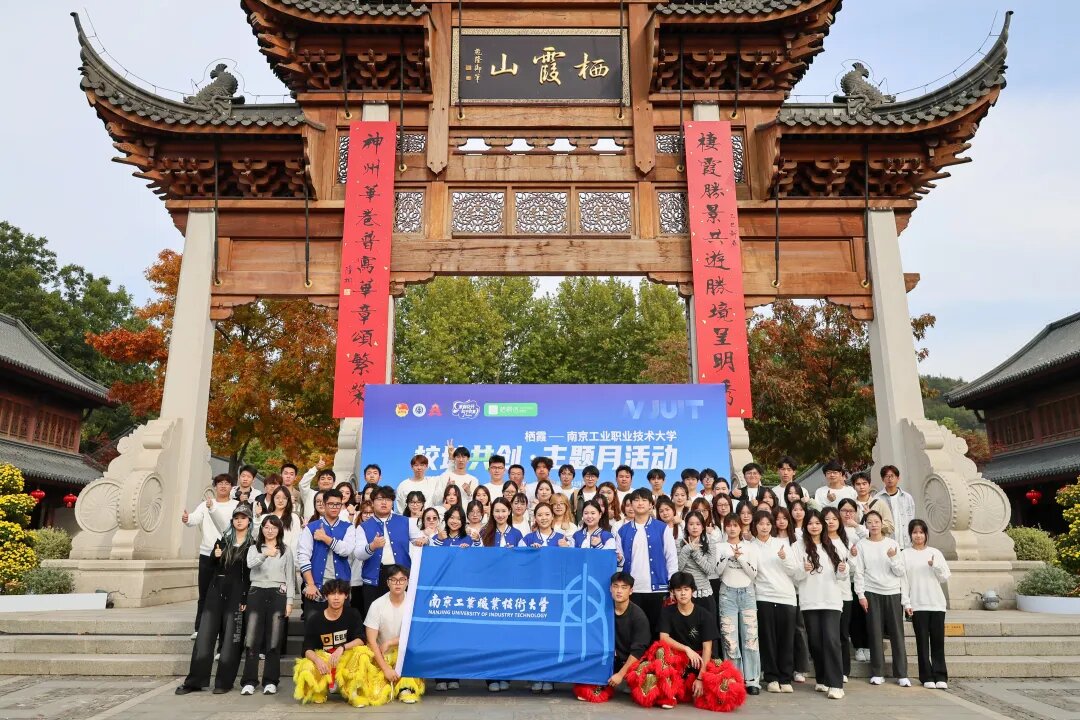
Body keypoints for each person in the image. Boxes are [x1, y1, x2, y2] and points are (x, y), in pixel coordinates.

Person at [176, 503, 253, 695]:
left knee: (232, 640)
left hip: (237, 595)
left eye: (243, 518)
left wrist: (245, 598)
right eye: (236, 518)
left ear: (249, 521)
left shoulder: (253, 545)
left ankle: (224, 682)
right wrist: (215, 556)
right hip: (216, 592)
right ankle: (195, 681)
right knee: (204, 636)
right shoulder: (223, 540)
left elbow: (250, 574)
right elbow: (211, 565)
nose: (239, 521)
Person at [793, 509, 848, 700]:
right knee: (816, 642)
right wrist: (803, 569)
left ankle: (836, 684)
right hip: (809, 600)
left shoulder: (834, 545)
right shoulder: (797, 546)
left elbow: (842, 575)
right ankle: (823, 679)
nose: (814, 526)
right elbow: (795, 576)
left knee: (831, 640)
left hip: (831, 600)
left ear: (823, 525)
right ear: (805, 526)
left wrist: (843, 569)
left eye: (818, 523)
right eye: (810, 523)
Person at [854, 510, 910, 687]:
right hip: (872, 592)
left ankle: (902, 673)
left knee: (897, 634)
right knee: (875, 632)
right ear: (865, 525)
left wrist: (893, 558)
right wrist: (861, 594)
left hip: (893, 592)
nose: (873, 525)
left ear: (882, 523)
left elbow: (900, 572)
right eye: (869, 522)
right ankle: (877, 672)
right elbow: (859, 571)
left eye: (876, 521)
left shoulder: (892, 544)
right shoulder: (861, 545)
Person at [240, 514, 294, 696]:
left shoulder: (286, 550)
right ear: (261, 529)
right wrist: (264, 554)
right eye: (266, 527)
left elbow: (290, 577)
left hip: (277, 593)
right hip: (256, 592)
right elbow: (250, 564)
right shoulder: (254, 548)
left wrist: (289, 601)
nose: (270, 531)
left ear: (279, 530)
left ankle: (271, 681)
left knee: (274, 639)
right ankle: (249, 681)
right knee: (251, 639)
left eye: (274, 527)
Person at [617, 489, 678, 640]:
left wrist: (672, 584)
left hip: (658, 589)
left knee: (658, 632)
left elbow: (671, 557)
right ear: (631, 504)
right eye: (636, 500)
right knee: (635, 632)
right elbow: (620, 562)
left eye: (644, 500)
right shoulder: (622, 531)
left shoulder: (662, 528)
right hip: (633, 590)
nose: (640, 503)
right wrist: (619, 560)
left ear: (651, 505)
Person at [182, 473, 237, 640]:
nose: (223, 486)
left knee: (224, 594)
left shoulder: (236, 505)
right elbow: (194, 519)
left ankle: (221, 630)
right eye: (220, 483)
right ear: (215, 486)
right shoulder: (206, 504)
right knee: (204, 592)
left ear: (231, 487)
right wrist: (187, 518)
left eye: (227, 483)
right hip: (207, 553)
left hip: (227, 554)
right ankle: (200, 628)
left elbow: (230, 527)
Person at [293, 579, 366, 705]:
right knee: (306, 664)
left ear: (346, 596)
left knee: (362, 653)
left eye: (340, 593)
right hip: (325, 663)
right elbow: (307, 649)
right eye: (332, 594)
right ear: (326, 596)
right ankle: (320, 690)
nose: (336, 598)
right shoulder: (315, 619)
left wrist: (342, 648)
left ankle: (351, 690)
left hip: (345, 661)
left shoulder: (352, 614)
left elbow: (361, 639)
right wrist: (317, 660)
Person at [355, 486, 425, 614]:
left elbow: (422, 539)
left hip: (401, 575)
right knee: (374, 616)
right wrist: (372, 546)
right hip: (375, 577)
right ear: (372, 502)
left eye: (388, 499)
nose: (384, 502)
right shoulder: (363, 527)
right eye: (380, 499)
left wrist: (424, 541)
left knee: (403, 614)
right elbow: (359, 554)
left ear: (392, 502)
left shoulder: (406, 522)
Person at [656, 572, 720, 710]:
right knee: (660, 651)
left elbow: (707, 648)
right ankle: (668, 693)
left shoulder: (704, 615)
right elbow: (663, 638)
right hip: (676, 659)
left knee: (724, 688)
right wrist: (686, 649)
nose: (683, 593)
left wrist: (701, 678)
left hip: (700, 660)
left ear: (693, 591)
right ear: (673, 592)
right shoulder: (667, 612)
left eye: (686, 589)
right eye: (678, 590)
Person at [362, 565, 425, 704]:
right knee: (376, 694)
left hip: (405, 655)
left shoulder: (415, 604)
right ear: (387, 582)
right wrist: (385, 669)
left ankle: (405, 686)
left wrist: (390, 642)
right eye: (394, 580)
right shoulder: (377, 605)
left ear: (407, 582)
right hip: (381, 655)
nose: (398, 583)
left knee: (411, 651)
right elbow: (371, 641)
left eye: (402, 580)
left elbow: (416, 635)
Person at [751, 510, 797, 693]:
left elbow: (794, 570)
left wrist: (784, 558)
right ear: (755, 525)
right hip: (763, 596)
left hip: (786, 596)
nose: (764, 527)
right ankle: (771, 678)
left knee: (786, 639)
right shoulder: (750, 547)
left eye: (768, 524)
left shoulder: (781, 544)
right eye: (761, 524)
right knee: (768, 639)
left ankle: (786, 678)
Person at [716, 512, 761, 695]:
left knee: (751, 637)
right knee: (729, 638)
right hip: (727, 593)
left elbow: (753, 573)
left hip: (747, 593)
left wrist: (740, 558)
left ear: (741, 527)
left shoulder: (750, 547)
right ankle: (734, 678)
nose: (732, 528)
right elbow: (717, 571)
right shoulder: (720, 547)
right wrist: (728, 556)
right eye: (729, 525)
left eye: (735, 525)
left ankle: (752, 680)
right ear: (724, 527)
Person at [903, 519, 951, 690]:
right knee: (922, 642)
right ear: (910, 535)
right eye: (915, 532)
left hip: (936, 603)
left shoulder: (935, 553)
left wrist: (935, 565)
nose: (918, 536)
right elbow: (903, 581)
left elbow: (944, 577)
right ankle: (926, 676)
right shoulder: (905, 554)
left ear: (926, 534)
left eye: (921, 532)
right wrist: (906, 603)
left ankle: (940, 675)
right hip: (917, 604)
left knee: (938, 642)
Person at [298, 488, 356, 620]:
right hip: (316, 587)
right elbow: (303, 557)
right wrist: (310, 584)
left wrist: (325, 538)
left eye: (338, 504)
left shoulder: (348, 527)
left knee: (341, 629)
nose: (334, 507)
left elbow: (346, 550)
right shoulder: (311, 527)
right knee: (314, 627)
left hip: (340, 589)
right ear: (324, 505)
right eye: (331, 504)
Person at [822, 507, 854, 683]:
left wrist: (852, 559)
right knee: (828, 634)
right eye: (827, 519)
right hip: (825, 594)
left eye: (834, 519)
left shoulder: (845, 540)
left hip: (844, 593)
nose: (831, 522)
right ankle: (829, 669)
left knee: (842, 634)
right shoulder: (820, 541)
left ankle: (844, 670)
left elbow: (853, 568)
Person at [838, 498, 870, 663]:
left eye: (851, 510)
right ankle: (858, 647)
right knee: (852, 615)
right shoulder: (836, 529)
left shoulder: (860, 529)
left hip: (862, 578)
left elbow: (869, 536)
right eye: (844, 510)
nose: (847, 514)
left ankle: (866, 646)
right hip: (844, 579)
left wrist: (856, 525)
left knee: (863, 614)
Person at [607, 572, 650, 692]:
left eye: (624, 587)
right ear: (610, 589)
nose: (619, 591)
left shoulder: (638, 616)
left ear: (631, 591)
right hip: (610, 660)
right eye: (615, 586)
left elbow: (638, 651)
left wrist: (621, 674)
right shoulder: (604, 611)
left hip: (632, 662)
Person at [676, 511, 720, 620]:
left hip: (705, 593)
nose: (694, 527)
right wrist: (687, 549)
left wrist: (695, 553)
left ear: (703, 527)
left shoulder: (710, 544)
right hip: (686, 594)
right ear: (686, 527)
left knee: (708, 627)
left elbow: (709, 570)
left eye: (698, 524)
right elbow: (678, 568)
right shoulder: (679, 544)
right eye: (691, 524)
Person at [875, 465, 916, 548]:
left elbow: (912, 519)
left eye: (892, 476)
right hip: (887, 544)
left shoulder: (907, 497)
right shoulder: (877, 499)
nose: (890, 479)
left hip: (907, 543)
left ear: (898, 478)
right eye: (887, 476)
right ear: (882, 479)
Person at [852, 472, 894, 536]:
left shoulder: (879, 504)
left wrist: (873, 518)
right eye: (858, 484)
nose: (861, 487)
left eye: (864, 484)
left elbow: (890, 528)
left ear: (869, 485)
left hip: (876, 540)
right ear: (853, 487)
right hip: (856, 541)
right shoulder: (850, 505)